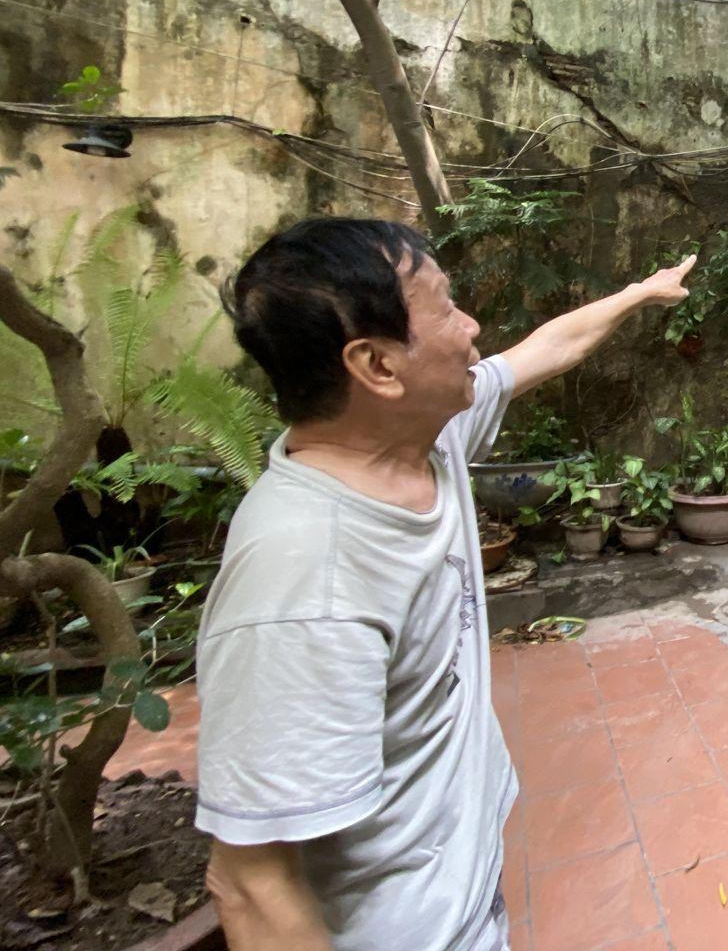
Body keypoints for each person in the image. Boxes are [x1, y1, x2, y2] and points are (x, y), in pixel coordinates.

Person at [193, 217, 693, 949]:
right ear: (378, 365)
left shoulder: (424, 437)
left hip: (464, 903)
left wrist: (639, 294)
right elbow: (251, 884)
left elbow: (545, 349)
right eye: (447, 307)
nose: (471, 327)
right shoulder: (302, 580)